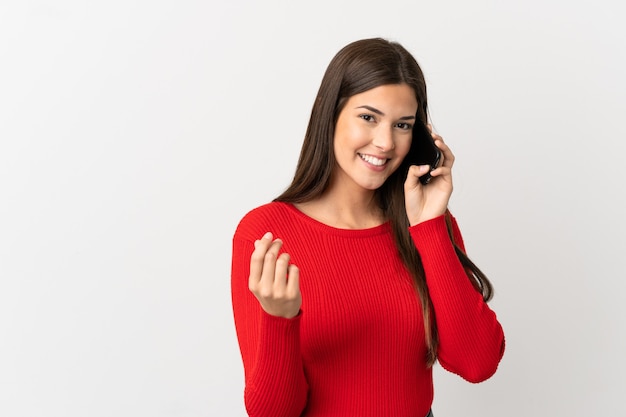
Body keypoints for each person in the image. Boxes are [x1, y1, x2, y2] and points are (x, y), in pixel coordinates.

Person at [230, 38, 505, 417]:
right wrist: (280, 319)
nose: (385, 142)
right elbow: (273, 413)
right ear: (332, 115)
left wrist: (430, 229)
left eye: (403, 125)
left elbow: (477, 363)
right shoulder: (266, 233)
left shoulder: (427, 223)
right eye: (368, 117)